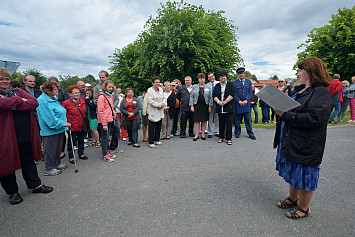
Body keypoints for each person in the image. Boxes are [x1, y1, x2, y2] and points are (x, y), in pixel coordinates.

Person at [273, 56, 332, 219]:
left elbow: (315, 118)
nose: (298, 73)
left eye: (301, 70)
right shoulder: (301, 89)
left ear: (311, 72)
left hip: (308, 142)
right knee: (294, 170)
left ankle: (304, 208)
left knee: (305, 173)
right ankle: (293, 199)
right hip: (293, 138)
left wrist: (287, 115)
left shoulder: (321, 92)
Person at [0, 69, 53, 205]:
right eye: (1, 79)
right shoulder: (18, 95)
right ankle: (12, 192)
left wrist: (13, 103)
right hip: (5, 138)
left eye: (7, 79)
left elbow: (34, 102)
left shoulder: (16, 90)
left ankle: (36, 185)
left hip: (25, 135)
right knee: (7, 165)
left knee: (28, 161)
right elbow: (2, 104)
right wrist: (19, 101)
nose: (5, 81)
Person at [37, 81, 70, 176]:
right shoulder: (42, 100)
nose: (57, 90)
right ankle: (49, 168)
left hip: (60, 128)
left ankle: (56, 163)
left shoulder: (54, 99)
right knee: (50, 150)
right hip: (51, 130)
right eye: (55, 89)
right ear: (47, 90)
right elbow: (49, 118)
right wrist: (62, 124)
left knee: (58, 148)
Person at [94, 71, 120, 150]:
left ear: (107, 77)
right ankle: (105, 149)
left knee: (117, 129)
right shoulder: (97, 88)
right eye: (100, 77)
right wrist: (107, 108)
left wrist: (111, 108)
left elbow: (116, 99)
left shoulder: (113, 87)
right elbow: (95, 100)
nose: (101, 79)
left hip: (113, 112)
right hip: (103, 114)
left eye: (103, 77)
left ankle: (113, 146)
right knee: (105, 132)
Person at [62, 86, 89, 163]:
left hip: (82, 125)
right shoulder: (66, 103)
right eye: (75, 92)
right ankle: (71, 156)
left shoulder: (82, 101)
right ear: (70, 94)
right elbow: (62, 114)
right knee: (72, 142)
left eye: (78, 92)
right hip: (72, 126)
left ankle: (81, 153)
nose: (77, 94)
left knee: (81, 140)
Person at [47, 76, 69, 159]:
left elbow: (66, 101)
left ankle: (61, 151)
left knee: (62, 134)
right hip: (52, 114)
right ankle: (52, 154)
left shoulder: (62, 92)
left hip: (61, 113)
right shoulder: (47, 95)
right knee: (53, 135)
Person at [212, 71, 236, 145]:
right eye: (221, 76)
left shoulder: (231, 84)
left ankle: (229, 138)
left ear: (226, 77)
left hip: (229, 107)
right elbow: (214, 95)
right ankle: (221, 137)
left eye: (224, 76)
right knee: (221, 123)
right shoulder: (217, 85)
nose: (223, 77)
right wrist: (219, 102)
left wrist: (224, 102)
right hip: (220, 108)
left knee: (229, 124)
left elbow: (232, 94)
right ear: (219, 78)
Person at [233, 67, 256, 140]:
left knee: (248, 119)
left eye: (242, 73)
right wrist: (238, 101)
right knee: (237, 119)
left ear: (244, 74)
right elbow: (234, 93)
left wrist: (246, 100)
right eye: (240, 73)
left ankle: (250, 133)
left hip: (246, 104)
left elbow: (250, 92)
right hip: (238, 103)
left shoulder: (248, 82)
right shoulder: (234, 82)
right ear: (238, 74)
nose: (241, 75)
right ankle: (237, 132)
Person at [97, 80, 117, 161]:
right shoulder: (102, 96)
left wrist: (114, 113)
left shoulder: (110, 96)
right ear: (105, 87)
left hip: (109, 118)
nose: (111, 88)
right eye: (109, 87)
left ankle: (107, 152)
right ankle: (105, 155)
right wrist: (104, 123)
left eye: (112, 87)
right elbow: (100, 111)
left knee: (107, 137)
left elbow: (111, 107)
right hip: (104, 120)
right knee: (104, 138)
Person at [190, 73, 213, 141]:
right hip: (197, 105)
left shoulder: (208, 87)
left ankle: (203, 135)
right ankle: (196, 135)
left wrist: (210, 106)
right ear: (198, 79)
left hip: (205, 105)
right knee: (196, 120)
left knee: (204, 120)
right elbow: (191, 97)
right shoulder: (194, 87)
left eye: (203, 78)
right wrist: (191, 105)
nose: (202, 80)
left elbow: (210, 97)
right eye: (200, 78)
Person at [146, 76, 165, 148]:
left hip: (160, 110)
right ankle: (151, 142)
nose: (158, 84)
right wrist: (159, 105)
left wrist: (162, 105)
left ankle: (157, 140)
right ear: (153, 83)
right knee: (152, 127)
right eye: (156, 82)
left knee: (158, 126)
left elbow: (163, 98)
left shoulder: (160, 89)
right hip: (153, 110)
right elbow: (150, 101)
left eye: (159, 82)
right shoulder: (150, 90)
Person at [206, 72, 219, 138]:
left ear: (214, 76)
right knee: (210, 119)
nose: (211, 78)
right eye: (209, 77)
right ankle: (210, 132)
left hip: (218, 103)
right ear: (208, 78)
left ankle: (217, 131)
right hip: (210, 104)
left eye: (212, 76)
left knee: (217, 118)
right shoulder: (206, 85)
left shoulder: (218, 83)